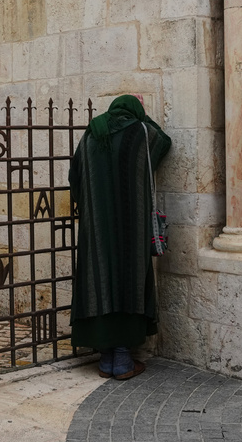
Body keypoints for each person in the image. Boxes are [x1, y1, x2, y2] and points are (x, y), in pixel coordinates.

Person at [69, 94, 171, 380]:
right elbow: (164, 142)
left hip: (96, 229)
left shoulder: (91, 134)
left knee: (98, 283)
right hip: (131, 228)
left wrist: (92, 204)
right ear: (134, 112)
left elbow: (75, 177)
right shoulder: (140, 132)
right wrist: (144, 115)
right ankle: (123, 359)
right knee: (130, 281)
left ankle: (106, 360)